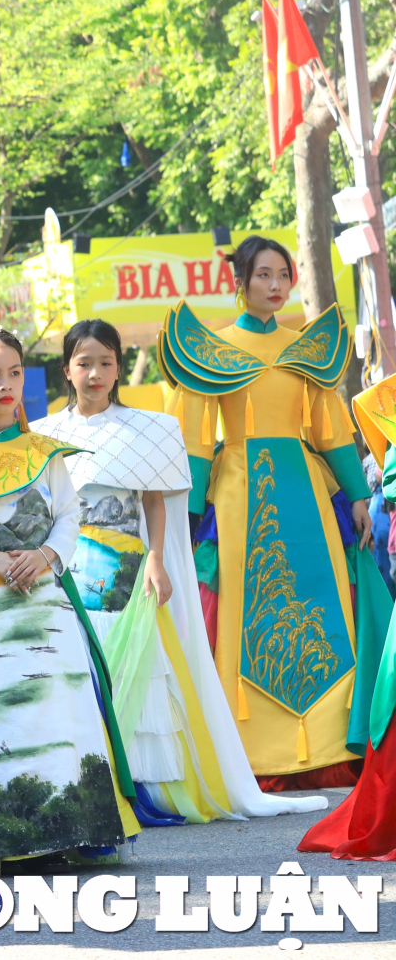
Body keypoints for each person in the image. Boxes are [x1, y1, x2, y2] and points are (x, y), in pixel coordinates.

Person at [33, 318, 326, 825]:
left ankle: (141, 787)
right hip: (68, 571)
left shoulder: (146, 428)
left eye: (105, 362)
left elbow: (154, 502)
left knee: (141, 674)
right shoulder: (43, 435)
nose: (95, 373)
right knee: (76, 670)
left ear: (119, 368)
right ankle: (84, 781)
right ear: (66, 370)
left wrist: (155, 560)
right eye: (84, 363)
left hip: (125, 571)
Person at [0, 327, 140, 871]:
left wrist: (45, 558)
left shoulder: (46, 454)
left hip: (45, 602)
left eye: (15, 372)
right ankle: (0, 837)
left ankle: (68, 830)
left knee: (60, 708)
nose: (7, 384)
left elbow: (69, 517)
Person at [160, 237, 371, 789]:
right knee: (244, 613)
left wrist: (359, 496)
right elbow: (198, 443)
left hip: (306, 495)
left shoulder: (309, 348)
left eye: (284, 274)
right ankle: (248, 753)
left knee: (322, 610)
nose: (276, 285)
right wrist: (183, 519)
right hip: (237, 497)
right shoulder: (210, 349)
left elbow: (330, 431)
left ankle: (328, 746)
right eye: (264, 275)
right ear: (241, 282)